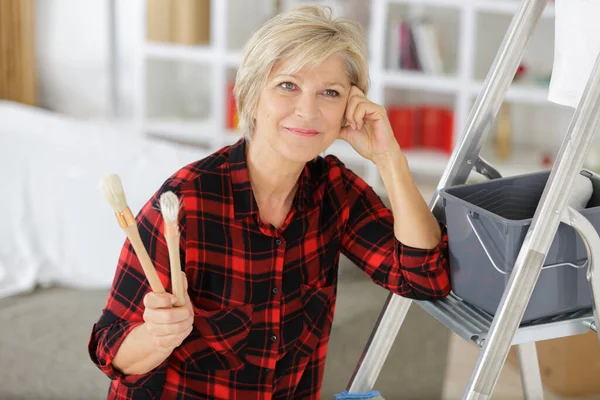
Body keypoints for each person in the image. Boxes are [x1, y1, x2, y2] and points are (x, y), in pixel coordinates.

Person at [88, 5, 451, 399]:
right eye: (288, 86)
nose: (307, 110)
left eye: (329, 93)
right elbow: (110, 350)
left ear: (349, 108)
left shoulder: (334, 190)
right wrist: (157, 337)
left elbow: (424, 278)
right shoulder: (186, 201)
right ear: (251, 92)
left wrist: (388, 157)